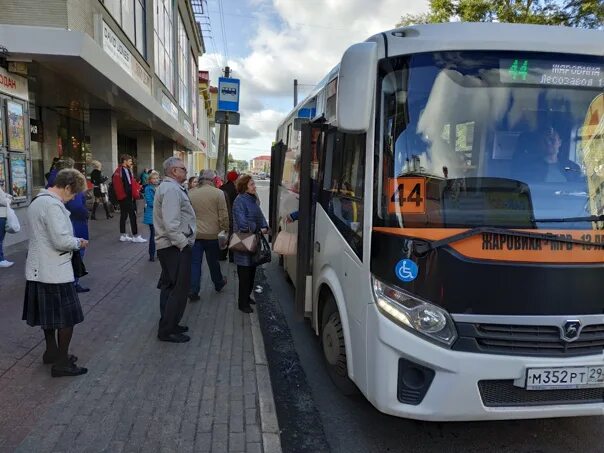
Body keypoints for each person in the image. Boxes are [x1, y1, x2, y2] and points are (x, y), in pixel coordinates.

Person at [22, 169, 89, 377]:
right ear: (67, 187)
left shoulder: (37, 201)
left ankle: (52, 352)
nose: (73, 198)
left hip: (37, 269)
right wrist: (79, 242)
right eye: (73, 193)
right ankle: (61, 362)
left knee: (48, 316)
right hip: (54, 270)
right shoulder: (52, 205)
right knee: (67, 319)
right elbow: (61, 240)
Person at [154, 157, 196, 343]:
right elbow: (171, 224)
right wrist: (183, 244)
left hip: (171, 246)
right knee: (177, 290)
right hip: (174, 247)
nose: (186, 172)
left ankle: (169, 323)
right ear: (173, 171)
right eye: (183, 169)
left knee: (170, 286)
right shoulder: (171, 189)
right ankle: (167, 330)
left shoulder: (170, 188)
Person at [188, 169, 229, 301]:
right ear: (213, 179)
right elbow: (223, 215)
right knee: (213, 262)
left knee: (195, 264)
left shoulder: (191, 193)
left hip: (195, 234)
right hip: (212, 235)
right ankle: (218, 283)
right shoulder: (218, 193)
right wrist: (225, 230)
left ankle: (193, 290)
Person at [232, 175, 269, 314]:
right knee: (244, 275)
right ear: (244, 186)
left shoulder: (252, 199)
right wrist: (259, 228)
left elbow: (259, 216)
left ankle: (247, 297)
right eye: (252, 184)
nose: (255, 186)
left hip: (253, 240)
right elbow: (242, 224)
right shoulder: (240, 201)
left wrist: (265, 225)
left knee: (252, 271)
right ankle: (242, 303)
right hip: (244, 241)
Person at [513, 127, 582, 183]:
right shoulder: (528, 168)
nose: (548, 143)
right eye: (544, 140)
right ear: (539, 144)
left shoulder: (572, 167)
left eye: (552, 140)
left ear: (560, 142)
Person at [112, 154, 146, 243]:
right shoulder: (125, 170)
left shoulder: (118, 170)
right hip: (126, 196)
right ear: (125, 161)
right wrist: (133, 194)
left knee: (123, 215)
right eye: (130, 161)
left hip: (121, 196)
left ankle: (123, 235)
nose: (131, 163)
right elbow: (129, 184)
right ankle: (135, 236)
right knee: (132, 215)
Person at [65, 178, 91, 294]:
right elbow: (76, 207)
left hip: (72, 224)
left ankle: (71, 281)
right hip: (77, 225)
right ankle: (74, 283)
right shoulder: (75, 191)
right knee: (77, 253)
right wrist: (86, 213)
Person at [219, 170, 239, 261]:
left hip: (223, 213)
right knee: (232, 235)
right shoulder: (236, 189)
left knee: (223, 234)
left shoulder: (222, 187)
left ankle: (222, 255)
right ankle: (232, 257)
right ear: (235, 179)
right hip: (232, 214)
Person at [143, 171, 160, 261]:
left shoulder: (159, 187)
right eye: (154, 178)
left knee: (159, 235)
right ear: (150, 180)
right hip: (151, 215)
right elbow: (150, 202)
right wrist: (161, 204)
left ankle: (158, 253)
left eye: (157, 178)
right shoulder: (148, 188)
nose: (156, 180)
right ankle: (151, 255)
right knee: (153, 235)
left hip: (159, 215)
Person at [0, 177, 14, 268]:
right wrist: (9, 199)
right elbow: (4, 201)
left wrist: (7, 197)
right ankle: (1, 260)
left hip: (2, 212)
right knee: (0, 238)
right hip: (1, 212)